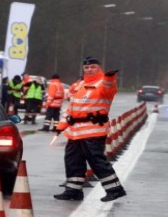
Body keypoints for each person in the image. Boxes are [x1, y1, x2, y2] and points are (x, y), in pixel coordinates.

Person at [53, 57, 125, 202]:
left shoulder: (103, 83)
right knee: (73, 161)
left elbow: (109, 86)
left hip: (93, 130)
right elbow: (71, 109)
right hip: (75, 132)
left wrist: (110, 77)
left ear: (99, 68)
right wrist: (61, 125)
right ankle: (73, 191)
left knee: (96, 160)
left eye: (93, 67)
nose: (89, 70)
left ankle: (115, 189)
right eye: (86, 68)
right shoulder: (81, 85)